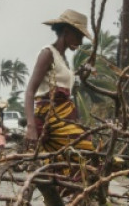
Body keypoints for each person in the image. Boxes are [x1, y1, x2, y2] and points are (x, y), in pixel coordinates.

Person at [24, 9, 96, 154]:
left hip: (63, 118)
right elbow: (30, 91)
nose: (81, 42)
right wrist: (31, 127)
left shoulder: (63, 59)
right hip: (51, 120)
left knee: (69, 161)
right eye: (79, 36)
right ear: (66, 31)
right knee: (84, 147)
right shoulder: (47, 53)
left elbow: (61, 82)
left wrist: (81, 73)